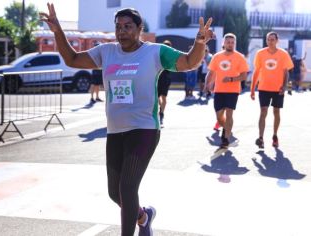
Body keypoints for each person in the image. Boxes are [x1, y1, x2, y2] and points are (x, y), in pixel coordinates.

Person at [40, 4, 213, 236]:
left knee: (128, 187)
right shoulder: (106, 51)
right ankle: (143, 216)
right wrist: (57, 30)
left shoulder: (155, 52)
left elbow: (189, 62)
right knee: (115, 193)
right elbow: (72, 59)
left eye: (128, 27)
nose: (122, 31)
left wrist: (200, 42)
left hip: (144, 129)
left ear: (140, 28)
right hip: (115, 131)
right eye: (118, 27)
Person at [205, 33, 249, 149]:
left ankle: (226, 137)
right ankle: (226, 128)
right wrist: (207, 84)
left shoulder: (239, 57)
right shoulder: (217, 57)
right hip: (219, 90)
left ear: (235, 44)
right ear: (223, 43)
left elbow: (244, 76)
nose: (230, 44)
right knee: (219, 116)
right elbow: (211, 72)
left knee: (229, 113)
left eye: (232, 42)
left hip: (233, 90)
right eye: (228, 42)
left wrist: (231, 79)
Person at [250, 32, 294, 149]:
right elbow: (256, 71)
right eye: (268, 39)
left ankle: (274, 135)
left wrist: (284, 87)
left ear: (277, 41)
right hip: (263, 88)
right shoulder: (260, 53)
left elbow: (286, 72)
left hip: (278, 89)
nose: (270, 41)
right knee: (263, 111)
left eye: (272, 39)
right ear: (266, 40)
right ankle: (260, 138)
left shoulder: (283, 54)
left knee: (276, 112)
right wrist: (252, 89)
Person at [157, 40, 172, 126]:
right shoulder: (159, 55)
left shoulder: (170, 57)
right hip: (157, 78)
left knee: (164, 97)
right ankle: (160, 110)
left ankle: (162, 113)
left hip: (166, 79)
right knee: (157, 97)